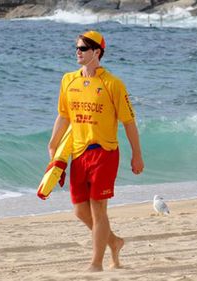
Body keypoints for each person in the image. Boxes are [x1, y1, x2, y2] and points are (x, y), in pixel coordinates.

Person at [48, 30, 144, 272]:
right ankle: (113, 241)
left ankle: (96, 263)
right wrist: (53, 145)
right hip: (77, 153)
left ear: (97, 52)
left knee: (98, 208)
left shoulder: (113, 84)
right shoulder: (69, 79)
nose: (77, 52)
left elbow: (128, 122)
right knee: (80, 211)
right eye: (77, 48)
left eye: (82, 49)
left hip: (104, 152)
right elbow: (63, 116)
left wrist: (137, 154)